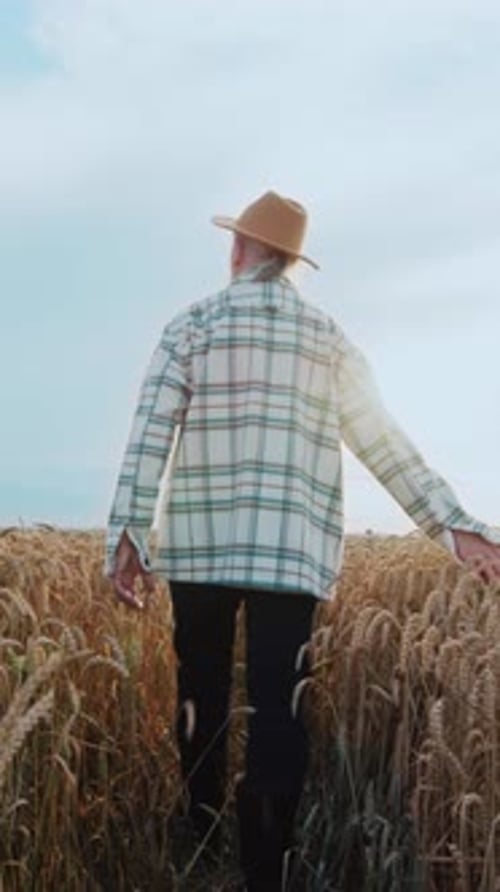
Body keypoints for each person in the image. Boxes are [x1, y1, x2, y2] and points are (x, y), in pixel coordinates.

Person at [105, 190, 500, 890]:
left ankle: (202, 828)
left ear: (237, 250)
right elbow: (383, 440)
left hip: (198, 547)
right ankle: (266, 866)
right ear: (292, 263)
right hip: (291, 556)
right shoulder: (328, 339)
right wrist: (453, 525)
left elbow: (148, 437)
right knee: (278, 706)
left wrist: (128, 536)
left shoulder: (190, 325)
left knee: (200, 687)